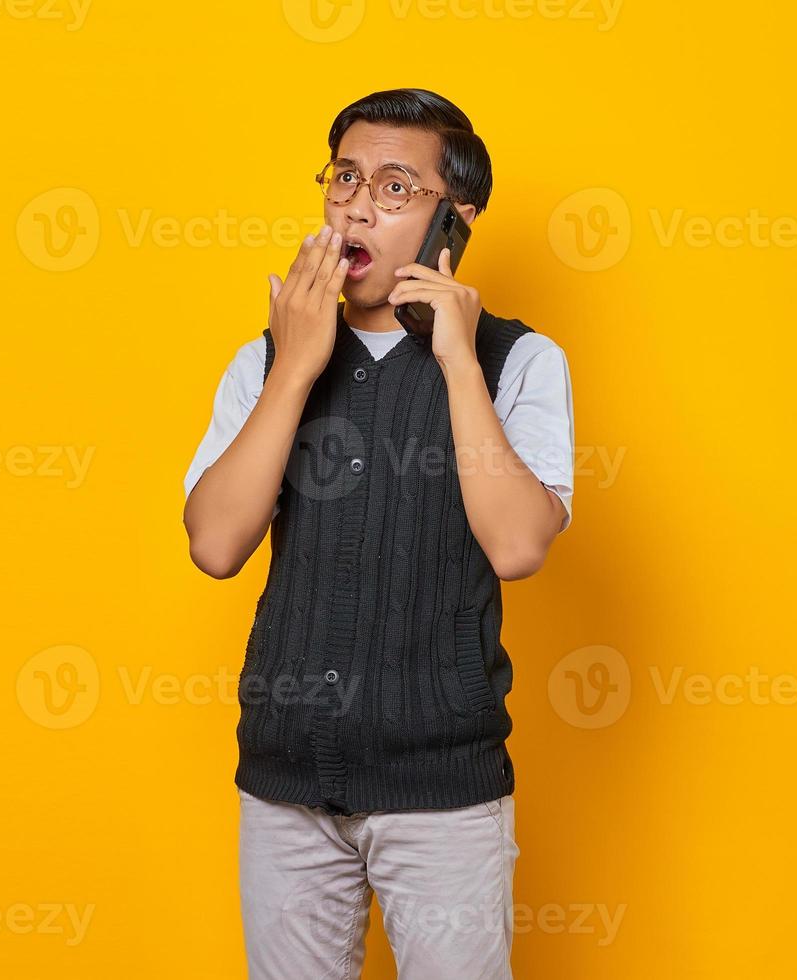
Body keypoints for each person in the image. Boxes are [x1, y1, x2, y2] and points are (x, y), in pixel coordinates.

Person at [181, 88, 575, 979]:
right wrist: (296, 368)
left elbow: (517, 548)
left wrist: (456, 359)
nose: (357, 205)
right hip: (284, 786)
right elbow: (214, 545)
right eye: (345, 179)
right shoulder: (266, 358)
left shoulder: (520, 361)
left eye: (396, 188)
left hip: (441, 793)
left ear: (455, 221)